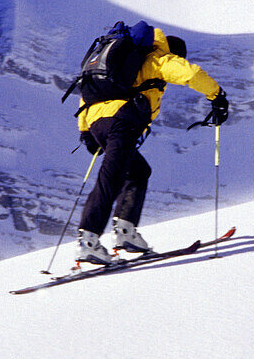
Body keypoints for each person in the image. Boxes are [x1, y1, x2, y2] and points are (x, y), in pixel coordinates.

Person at [74, 27, 229, 266]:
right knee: (111, 177)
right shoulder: (157, 57)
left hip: (97, 123)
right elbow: (190, 74)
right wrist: (217, 96)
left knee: (137, 171)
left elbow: (88, 94)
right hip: (121, 120)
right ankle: (89, 242)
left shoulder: (122, 64)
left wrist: (86, 132)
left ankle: (125, 231)